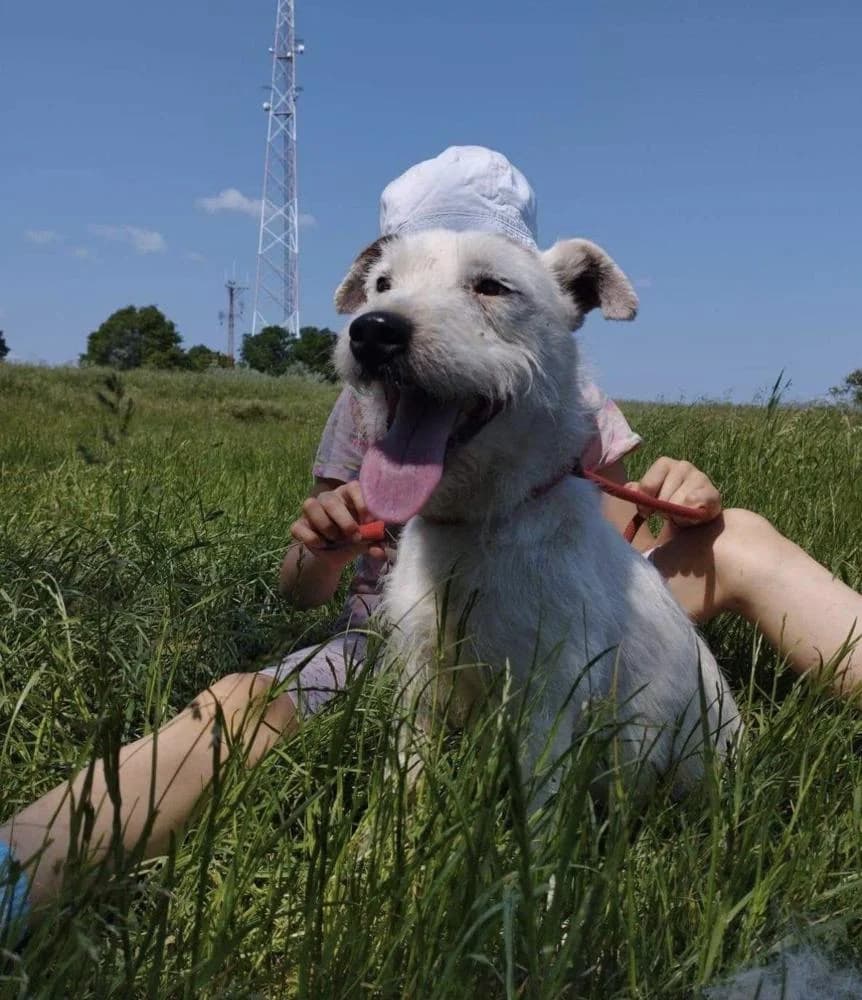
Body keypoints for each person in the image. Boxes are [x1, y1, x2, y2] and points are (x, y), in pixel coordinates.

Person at [2, 146, 860, 936]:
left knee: (733, 536)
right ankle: (19, 871)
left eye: (487, 286)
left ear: (563, 309)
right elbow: (297, 590)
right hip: (381, 634)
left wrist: (679, 502)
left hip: (572, 600)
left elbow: (613, 568)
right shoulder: (371, 404)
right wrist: (322, 546)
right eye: (387, 284)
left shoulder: (566, 398)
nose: (399, 316)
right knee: (237, 700)